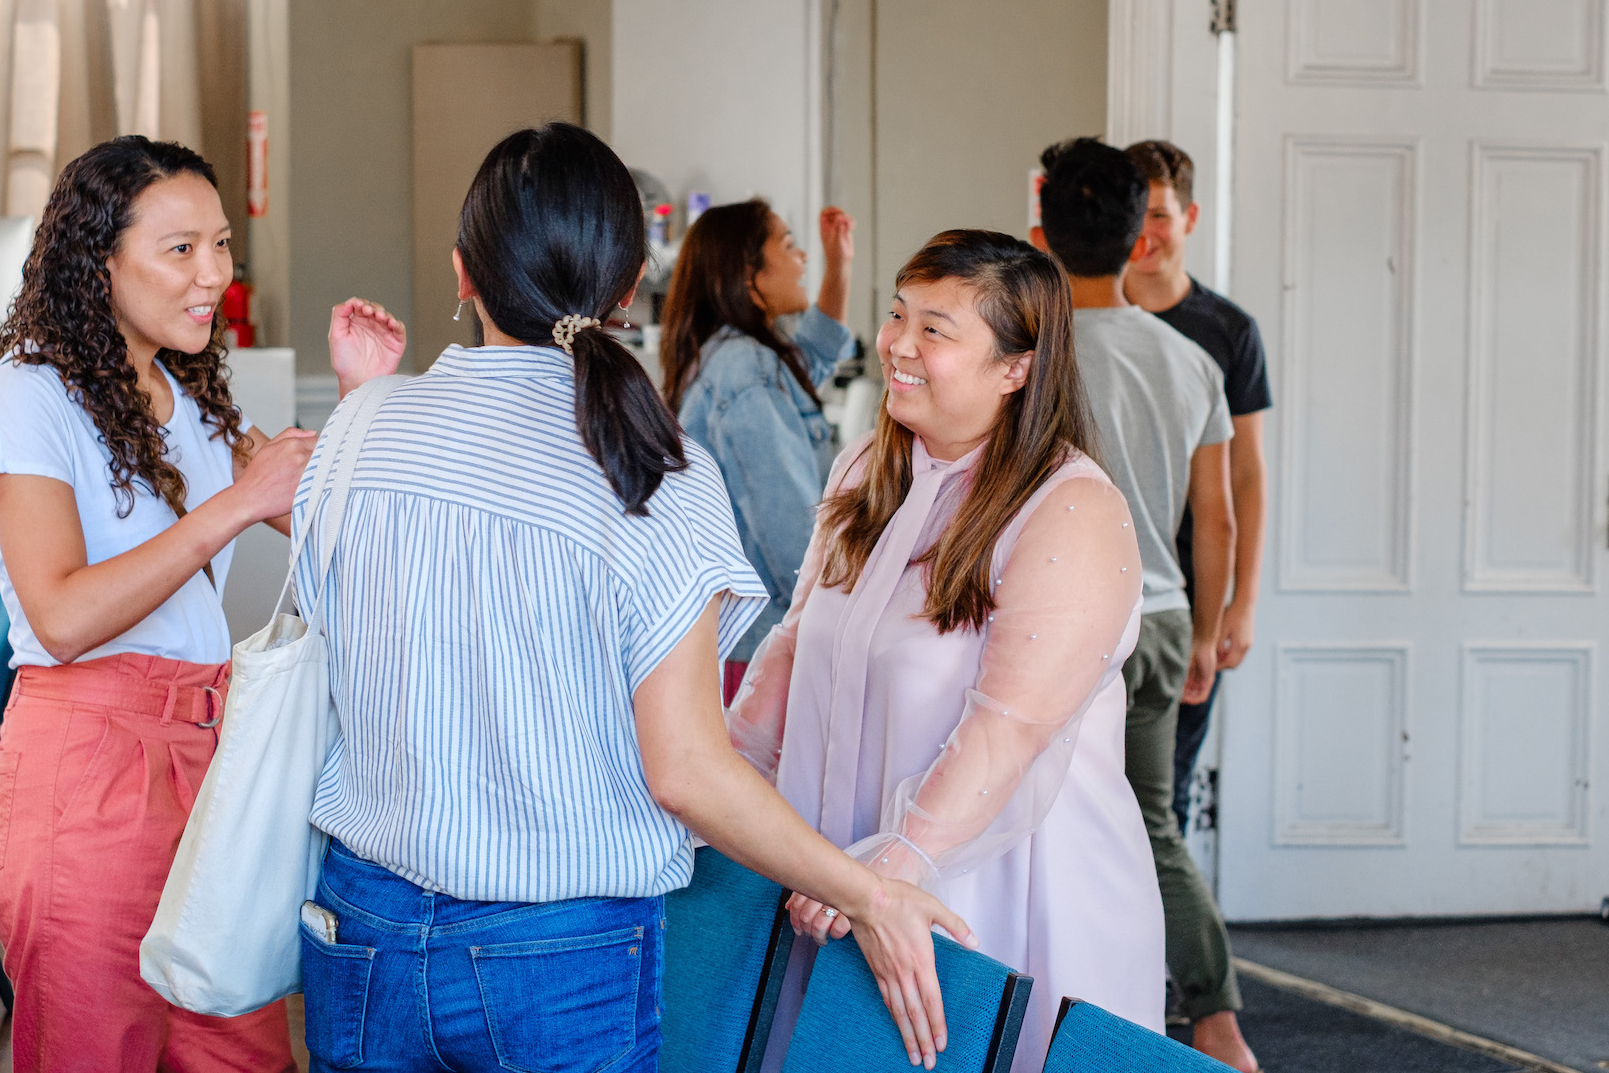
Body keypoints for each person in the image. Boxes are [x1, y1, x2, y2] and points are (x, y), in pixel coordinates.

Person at [293, 123, 967, 1073]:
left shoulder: (359, 426)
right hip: (559, 952)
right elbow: (684, 770)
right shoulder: (652, 470)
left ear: (461, 273)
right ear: (624, 289)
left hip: (359, 926)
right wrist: (868, 891)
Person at [0, 135, 400, 1071]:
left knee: (243, 1051)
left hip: (210, 758)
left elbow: (350, 532)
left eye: (219, 245)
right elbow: (64, 615)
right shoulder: (29, 392)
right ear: (100, 260)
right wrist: (234, 504)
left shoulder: (187, 394)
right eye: (180, 250)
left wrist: (367, 400)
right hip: (85, 770)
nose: (212, 275)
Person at [726, 228, 1166, 1069]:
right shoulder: (863, 469)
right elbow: (793, 645)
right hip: (841, 881)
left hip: (997, 891)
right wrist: (724, 786)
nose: (898, 343)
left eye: (937, 328)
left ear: (1017, 367)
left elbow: (1010, 725)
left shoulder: (1068, 508)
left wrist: (896, 866)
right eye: (898, 314)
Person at [1032, 139, 1255, 1072]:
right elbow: (1218, 517)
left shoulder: (1030, 356)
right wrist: (1204, 631)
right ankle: (1217, 1024)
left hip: (1062, 622)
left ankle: (1062, 1016)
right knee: (1151, 825)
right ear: (1139, 238)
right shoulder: (1188, 360)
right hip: (1161, 617)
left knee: (1043, 823)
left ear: (1040, 229)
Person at [1123, 141, 1270, 835]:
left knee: (1163, 802)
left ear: (1190, 217)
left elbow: (1246, 474)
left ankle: (1164, 947)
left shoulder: (1228, 331)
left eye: (1161, 214)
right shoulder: (1083, 314)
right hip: (1096, 584)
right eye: (1137, 214)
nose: (1146, 233)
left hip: (1186, 598)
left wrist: (1237, 604)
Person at [663, 200, 857, 695]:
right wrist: (842, 622)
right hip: (759, 647)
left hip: (741, 642)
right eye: (789, 246)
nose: (803, 260)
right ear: (749, 274)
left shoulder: (737, 356)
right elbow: (788, 529)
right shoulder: (746, 370)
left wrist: (840, 265)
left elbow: (814, 353)